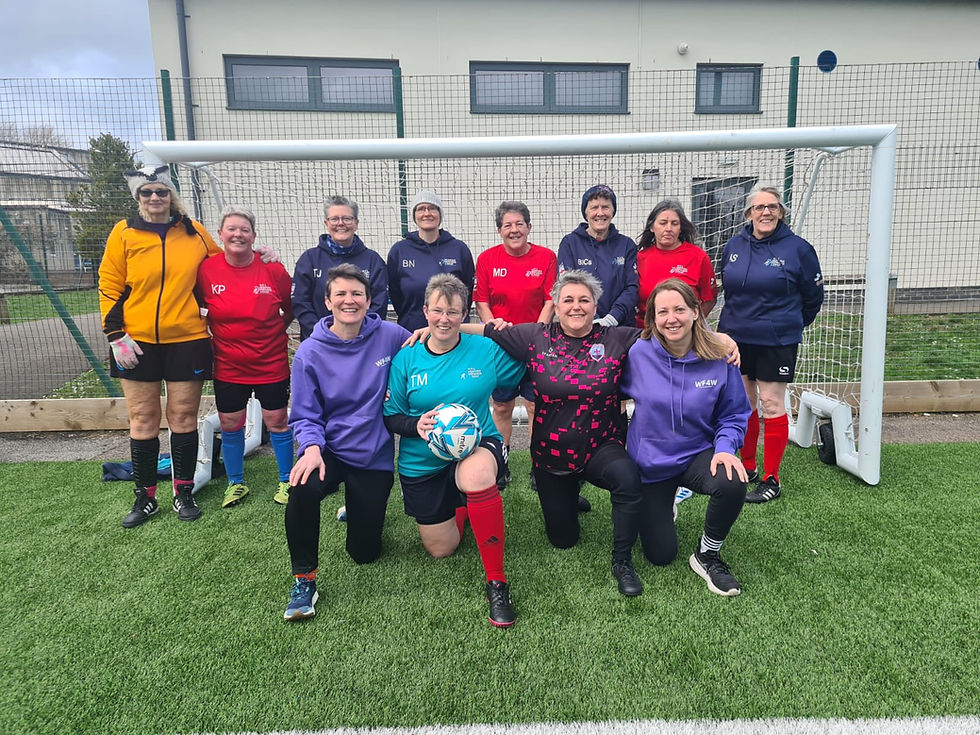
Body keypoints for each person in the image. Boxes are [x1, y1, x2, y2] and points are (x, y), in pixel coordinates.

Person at [472, 270, 647, 596]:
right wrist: (435, 328)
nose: (576, 307)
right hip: (551, 455)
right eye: (568, 300)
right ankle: (568, 494)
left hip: (601, 445)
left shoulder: (617, 338)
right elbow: (481, 330)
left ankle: (622, 560)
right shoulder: (535, 337)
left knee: (627, 478)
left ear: (596, 306)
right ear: (555, 304)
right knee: (563, 539)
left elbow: (668, 333)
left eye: (584, 300)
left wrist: (721, 339)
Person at [383, 274, 526, 627]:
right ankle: (464, 507)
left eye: (453, 311)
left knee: (476, 475)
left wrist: (494, 330)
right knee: (440, 549)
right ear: (425, 311)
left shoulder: (486, 351)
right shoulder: (407, 358)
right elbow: (391, 416)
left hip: (478, 445)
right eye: (437, 311)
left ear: (465, 314)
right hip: (422, 459)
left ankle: (496, 580)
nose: (444, 319)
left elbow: (530, 351)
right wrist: (413, 426)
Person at [283, 264, 410, 621]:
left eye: (357, 294)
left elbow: (430, 340)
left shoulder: (390, 335)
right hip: (329, 450)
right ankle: (304, 580)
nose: (349, 300)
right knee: (302, 487)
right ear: (328, 301)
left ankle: (356, 508)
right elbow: (305, 413)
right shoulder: (309, 352)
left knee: (365, 553)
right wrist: (310, 449)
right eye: (340, 293)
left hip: (372, 456)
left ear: (370, 300)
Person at [99, 164, 222, 527]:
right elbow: (108, 284)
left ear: (172, 195)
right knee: (143, 419)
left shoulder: (194, 231)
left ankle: (183, 492)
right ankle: (145, 497)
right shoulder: (123, 233)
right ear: (138, 197)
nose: (155, 198)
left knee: (183, 418)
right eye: (147, 192)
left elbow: (223, 265)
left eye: (161, 191)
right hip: (134, 342)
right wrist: (115, 334)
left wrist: (258, 255)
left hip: (187, 339)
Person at [621, 279, 752, 596]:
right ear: (653, 318)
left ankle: (708, 554)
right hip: (651, 463)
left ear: (696, 311)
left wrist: (725, 448)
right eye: (662, 311)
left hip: (696, 455)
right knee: (660, 556)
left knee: (732, 479)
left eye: (679, 309)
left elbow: (734, 413)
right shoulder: (638, 354)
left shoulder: (720, 356)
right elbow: (607, 391)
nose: (671, 318)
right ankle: (665, 504)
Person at [718, 185, 824, 503]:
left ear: (781, 212)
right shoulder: (734, 245)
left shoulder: (798, 249)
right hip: (736, 337)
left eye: (773, 207)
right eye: (760, 207)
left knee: (771, 403)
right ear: (748, 213)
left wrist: (788, 323)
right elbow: (730, 288)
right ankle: (748, 466)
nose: (766, 212)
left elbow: (813, 298)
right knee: (743, 403)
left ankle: (771, 479)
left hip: (776, 339)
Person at [196, 205, 295, 508]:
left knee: (277, 419)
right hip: (228, 363)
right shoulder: (207, 270)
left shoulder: (273, 269)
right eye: (232, 229)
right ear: (221, 234)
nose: (238, 234)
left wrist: (272, 334)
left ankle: (287, 480)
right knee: (230, 422)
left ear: (253, 235)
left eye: (244, 229)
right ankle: (236, 483)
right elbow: (198, 306)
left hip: (270, 361)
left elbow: (289, 309)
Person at [473, 201, 556, 489]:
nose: (514, 229)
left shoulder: (546, 257)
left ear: (529, 227)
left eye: (519, 223)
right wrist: (494, 328)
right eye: (507, 225)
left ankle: (538, 467)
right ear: (499, 230)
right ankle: (501, 464)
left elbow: (550, 300)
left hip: (536, 343)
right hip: (502, 346)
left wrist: (538, 331)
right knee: (502, 406)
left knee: (536, 407)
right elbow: (481, 301)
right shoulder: (486, 259)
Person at [292, 195, 388, 340]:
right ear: (326, 223)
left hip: (362, 341)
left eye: (347, 219)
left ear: (356, 223)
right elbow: (300, 302)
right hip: (319, 341)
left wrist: (355, 334)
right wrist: (325, 333)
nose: (341, 223)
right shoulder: (309, 259)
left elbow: (378, 305)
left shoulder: (373, 260)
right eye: (335, 219)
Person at [387, 190, 475, 331]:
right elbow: (395, 293)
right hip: (411, 330)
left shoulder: (459, 249)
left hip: (451, 330)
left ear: (440, 214)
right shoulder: (399, 251)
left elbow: (467, 293)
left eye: (432, 208)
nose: (427, 213)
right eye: (421, 209)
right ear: (414, 216)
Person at [557, 184, 638, 328]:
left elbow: (632, 288)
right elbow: (567, 285)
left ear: (613, 211)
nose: (600, 213)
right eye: (594, 208)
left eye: (605, 207)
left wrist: (612, 318)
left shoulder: (627, 245)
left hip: (621, 325)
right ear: (586, 213)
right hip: (583, 326)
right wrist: (593, 318)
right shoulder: (570, 243)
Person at [635, 199, 717, 327]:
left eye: (674, 223)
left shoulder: (698, 257)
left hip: (684, 336)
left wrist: (691, 326)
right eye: (663, 223)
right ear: (652, 227)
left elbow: (709, 300)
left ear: (680, 228)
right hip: (647, 333)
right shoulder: (641, 258)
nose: (668, 228)